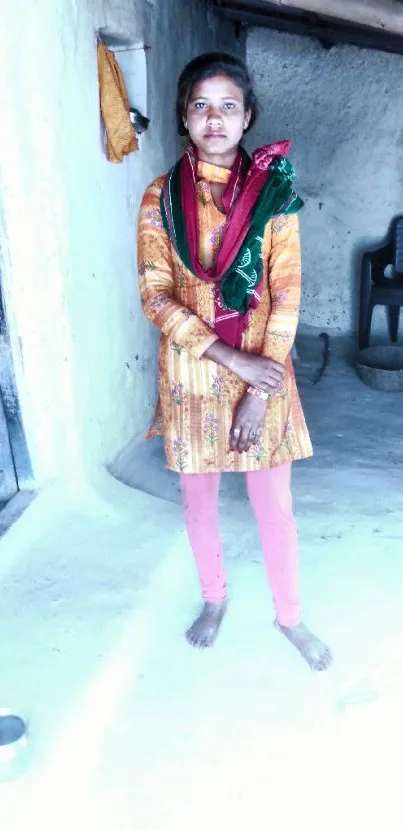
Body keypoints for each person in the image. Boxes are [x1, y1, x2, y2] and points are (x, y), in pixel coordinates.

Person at [137, 52, 332, 670]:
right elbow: (155, 294)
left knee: (273, 505)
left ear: (247, 117)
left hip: (265, 372)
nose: (214, 118)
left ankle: (290, 617)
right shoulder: (161, 198)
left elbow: (287, 291)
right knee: (198, 502)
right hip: (193, 373)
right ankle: (214, 599)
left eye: (228, 106)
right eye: (200, 105)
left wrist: (258, 385)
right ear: (183, 118)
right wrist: (230, 360)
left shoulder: (275, 194)